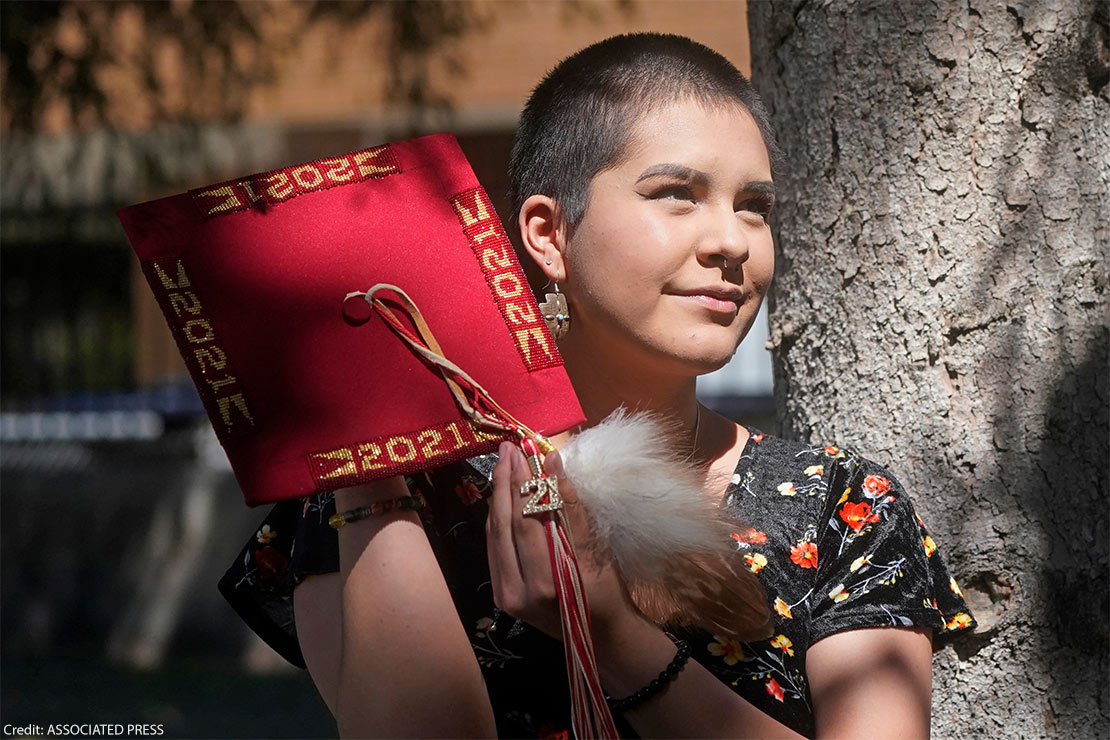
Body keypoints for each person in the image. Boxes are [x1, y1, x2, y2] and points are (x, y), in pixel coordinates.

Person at [219, 33, 975, 739]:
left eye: (756, 206)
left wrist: (613, 636)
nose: (731, 243)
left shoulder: (845, 508)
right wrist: (368, 478)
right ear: (548, 234)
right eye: (676, 192)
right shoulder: (398, 483)